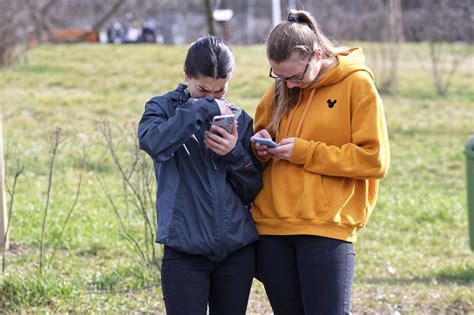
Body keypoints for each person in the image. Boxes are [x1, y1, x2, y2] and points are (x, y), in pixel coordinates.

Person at [251, 10, 390, 314]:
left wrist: (305, 152)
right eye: (279, 76)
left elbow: (374, 160)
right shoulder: (282, 86)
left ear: (315, 54)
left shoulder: (357, 84)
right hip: (273, 228)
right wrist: (259, 149)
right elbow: (258, 139)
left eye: (295, 77)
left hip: (327, 228)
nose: (287, 85)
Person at [138, 36, 261, 315]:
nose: (213, 99)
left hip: (236, 252)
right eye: (203, 90)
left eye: (220, 92)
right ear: (186, 75)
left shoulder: (240, 119)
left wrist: (234, 154)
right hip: (184, 250)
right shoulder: (162, 109)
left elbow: (252, 188)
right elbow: (154, 143)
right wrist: (200, 108)